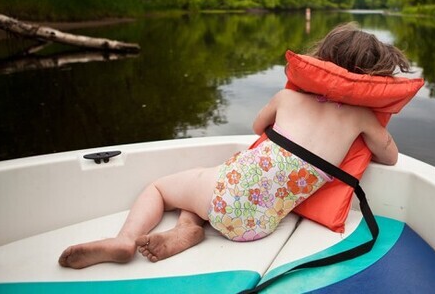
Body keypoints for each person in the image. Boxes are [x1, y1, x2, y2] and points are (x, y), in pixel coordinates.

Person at [58, 22, 412, 269]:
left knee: (164, 188)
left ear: (321, 59)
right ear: (374, 80)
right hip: (260, 225)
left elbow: (259, 127)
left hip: (224, 198)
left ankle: (124, 240)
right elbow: (390, 157)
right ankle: (187, 230)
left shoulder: (287, 99)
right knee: (215, 182)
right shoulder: (361, 119)